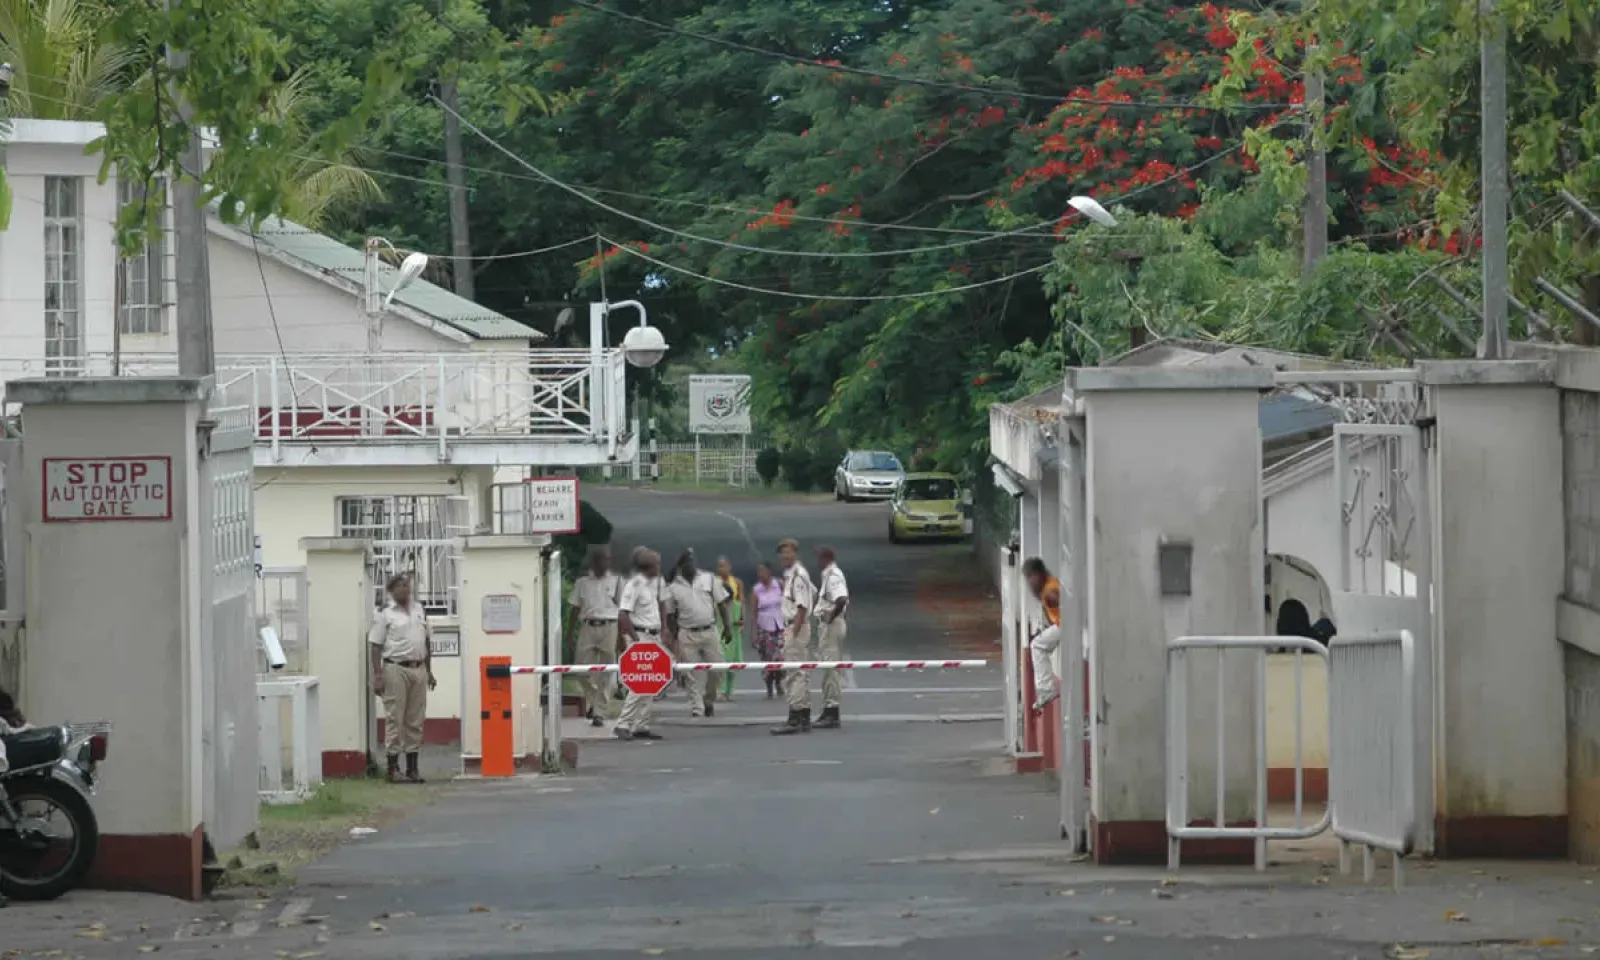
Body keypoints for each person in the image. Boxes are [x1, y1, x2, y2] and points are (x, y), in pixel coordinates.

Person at [368, 574, 436, 783]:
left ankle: (412, 768)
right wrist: (378, 675)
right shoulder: (385, 613)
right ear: (391, 590)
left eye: (407, 585)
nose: (404, 589)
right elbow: (375, 645)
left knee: (415, 719)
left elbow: (426, 641)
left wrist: (429, 671)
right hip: (395, 668)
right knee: (395, 718)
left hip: (418, 668)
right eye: (399, 586)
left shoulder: (419, 609)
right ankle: (393, 768)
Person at [664, 549, 732, 718]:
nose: (690, 565)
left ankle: (708, 699)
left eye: (692, 561)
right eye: (686, 562)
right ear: (681, 566)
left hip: (709, 630)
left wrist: (727, 627)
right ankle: (697, 707)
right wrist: (675, 637)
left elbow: (721, 604)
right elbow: (670, 614)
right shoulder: (673, 587)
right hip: (687, 633)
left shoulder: (709, 579)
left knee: (718, 668)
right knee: (690, 673)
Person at [615, 547, 668, 741]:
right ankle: (623, 723)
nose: (659, 567)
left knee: (651, 682)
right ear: (648, 567)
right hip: (641, 636)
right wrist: (635, 639)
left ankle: (641, 724)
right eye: (656, 564)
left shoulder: (652, 584)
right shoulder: (635, 585)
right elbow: (623, 614)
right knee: (639, 681)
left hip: (652, 636)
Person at [568, 546, 623, 727]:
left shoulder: (616, 581)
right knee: (580, 669)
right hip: (588, 626)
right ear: (594, 562)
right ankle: (594, 700)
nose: (606, 563)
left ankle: (599, 711)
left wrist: (622, 635)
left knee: (608, 670)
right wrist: (570, 633)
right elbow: (575, 608)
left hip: (610, 626)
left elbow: (623, 610)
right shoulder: (583, 582)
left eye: (608, 560)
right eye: (602, 559)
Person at [771, 538, 817, 736]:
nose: (784, 556)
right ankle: (804, 715)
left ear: (795, 553)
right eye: (782, 553)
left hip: (796, 627)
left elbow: (802, 607)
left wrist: (793, 633)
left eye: (788, 552)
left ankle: (795, 717)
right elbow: (813, 592)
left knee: (794, 674)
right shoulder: (793, 575)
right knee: (801, 673)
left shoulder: (798, 575)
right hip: (796, 626)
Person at [813, 546, 850, 730]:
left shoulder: (833, 576)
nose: (816, 561)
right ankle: (828, 707)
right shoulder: (828, 575)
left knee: (831, 668)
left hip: (831, 626)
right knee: (828, 667)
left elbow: (841, 598)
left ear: (825, 558)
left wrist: (831, 616)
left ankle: (832, 710)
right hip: (831, 625)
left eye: (818, 557)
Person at [1022, 557, 1063, 711]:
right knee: (1040, 643)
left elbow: (1062, 603)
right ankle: (1046, 689)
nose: (1030, 582)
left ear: (1040, 573)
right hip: (1062, 625)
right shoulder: (1048, 586)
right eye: (1027, 578)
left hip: (1066, 625)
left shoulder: (1049, 592)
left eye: (1031, 576)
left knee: (1037, 646)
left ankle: (1046, 690)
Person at [751, 563, 785, 698]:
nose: (761, 574)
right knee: (767, 659)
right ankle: (769, 686)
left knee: (780, 657)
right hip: (764, 628)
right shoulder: (756, 590)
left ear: (770, 572)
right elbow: (754, 613)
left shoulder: (779, 584)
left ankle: (779, 681)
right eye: (759, 572)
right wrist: (753, 634)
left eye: (763, 571)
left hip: (779, 626)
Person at [714, 557, 746, 703]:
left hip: (734, 624)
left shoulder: (737, 582)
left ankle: (729, 690)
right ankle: (721, 689)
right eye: (720, 566)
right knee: (722, 657)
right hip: (720, 623)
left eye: (724, 566)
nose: (722, 569)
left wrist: (742, 618)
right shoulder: (715, 583)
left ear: (729, 566)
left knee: (733, 659)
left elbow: (741, 601)